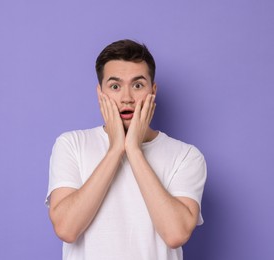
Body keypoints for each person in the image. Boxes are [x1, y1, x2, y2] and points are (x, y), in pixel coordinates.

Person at [45, 39, 207, 260]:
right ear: (100, 93)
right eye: (115, 86)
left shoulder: (186, 156)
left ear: (153, 90)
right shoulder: (71, 144)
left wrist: (134, 150)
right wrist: (115, 150)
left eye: (138, 85)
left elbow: (175, 234)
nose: (127, 98)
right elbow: (66, 229)